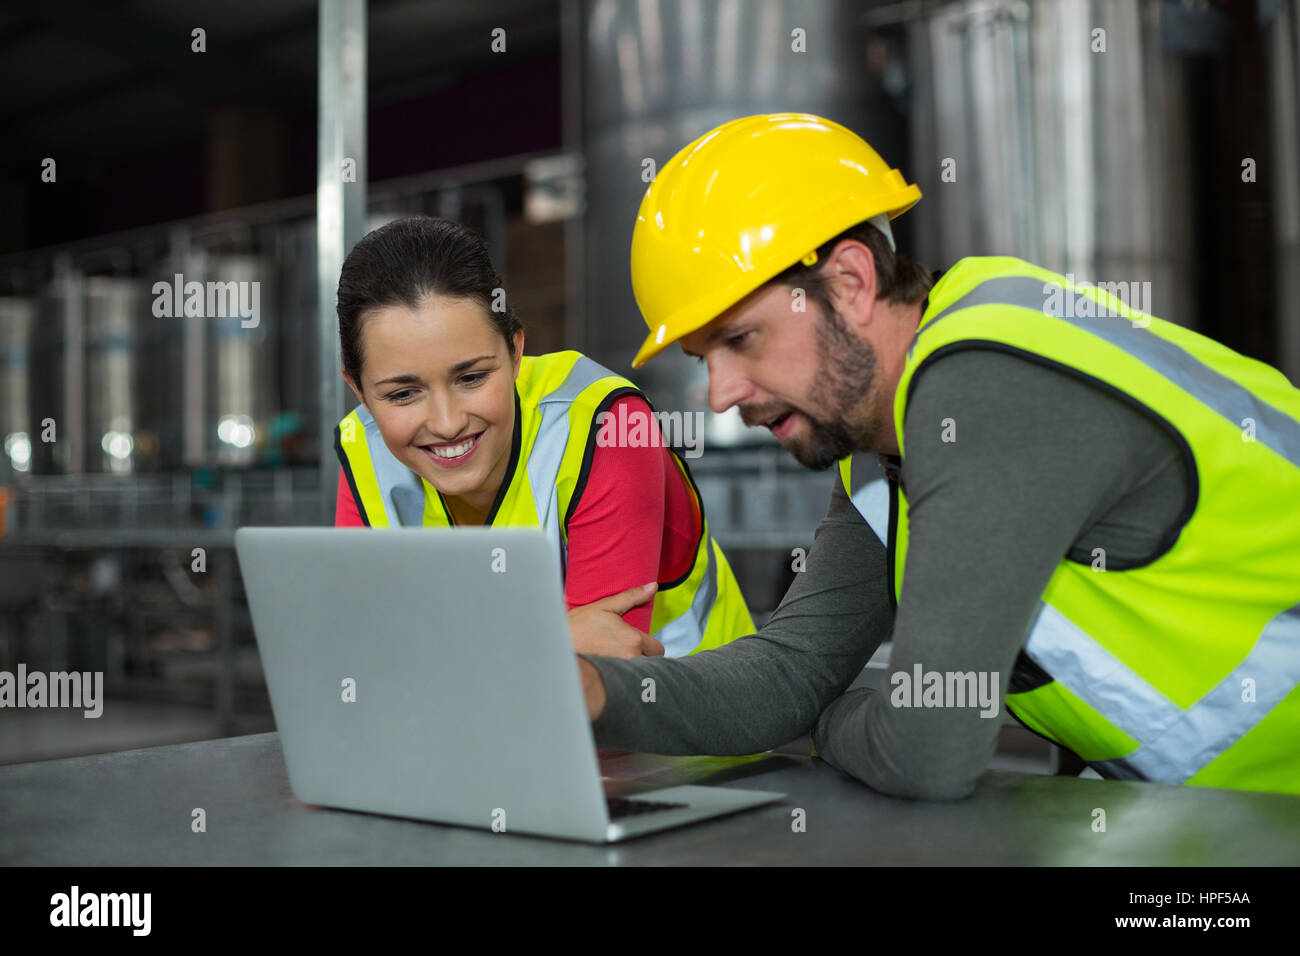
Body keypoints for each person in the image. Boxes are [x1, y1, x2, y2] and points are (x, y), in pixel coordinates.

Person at [575, 112, 1300, 798]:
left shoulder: (988, 382)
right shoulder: (885, 450)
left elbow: (925, 751)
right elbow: (788, 673)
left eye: (740, 339)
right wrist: (596, 688)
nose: (720, 395)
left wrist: (826, 724)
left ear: (851, 282)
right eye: (704, 358)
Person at [333, 215, 754, 659]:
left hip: (702, 708)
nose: (446, 422)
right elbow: (362, 660)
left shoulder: (611, 428)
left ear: (515, 353)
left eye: (472, 377)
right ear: (359, 389)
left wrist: (421, 650)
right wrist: (551, 640)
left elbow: (594, 683)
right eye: (403, 393)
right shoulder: (363, 448)